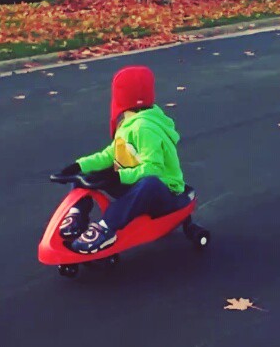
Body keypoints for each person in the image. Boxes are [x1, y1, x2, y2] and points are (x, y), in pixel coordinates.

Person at [55, 65, 188, 254]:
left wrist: (118, 178)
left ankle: (106, 228)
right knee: (87, 173)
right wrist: (78, 165)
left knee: (149, 183)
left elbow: (153, 169)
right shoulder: (129, 121)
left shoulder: (144, 128)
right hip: (134, 183)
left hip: (164, 194)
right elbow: (111, 154)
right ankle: (77, 213)